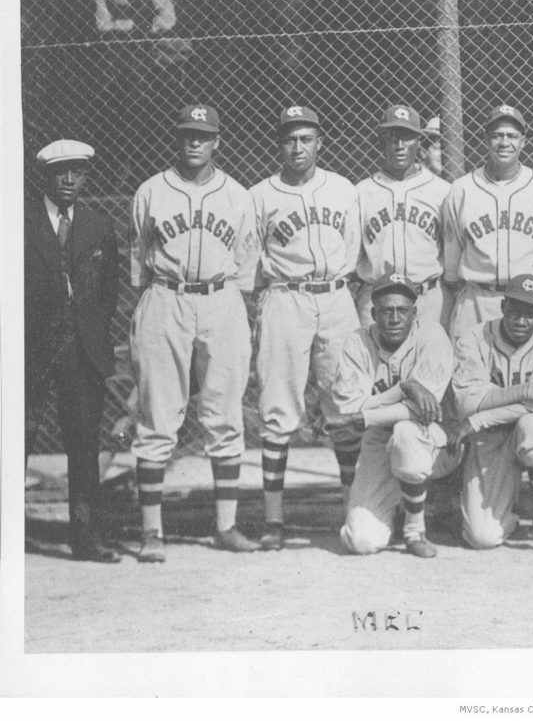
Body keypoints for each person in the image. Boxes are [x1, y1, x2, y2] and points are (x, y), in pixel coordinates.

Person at [129, 104, 260, 561]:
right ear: (177, 137)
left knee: (224, 413)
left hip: (222, 299)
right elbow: (139, 258)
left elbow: (246, 263)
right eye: (187, 133)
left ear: (217, 141)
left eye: (203, 135)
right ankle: (151, 532)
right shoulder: (151, 191)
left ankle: (226, 525)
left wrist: (231, 304)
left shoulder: (238, 195)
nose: (194, 142)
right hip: (165, 295)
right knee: (158, 416)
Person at [249, 105, 361, 550]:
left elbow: (352, 247)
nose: (297, 147)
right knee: (278, 411)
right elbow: (250, 257)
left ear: (320, 142)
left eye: (306, 138)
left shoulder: (343, 189)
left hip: (336, 295)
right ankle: (274, 520)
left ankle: (354, 509)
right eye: (289, 139)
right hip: (284, 296)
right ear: (279, 144)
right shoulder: (260, 195)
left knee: (347, 407)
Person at [25, 139, 121, 563]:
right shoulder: (20, 221)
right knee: (17, 438)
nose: (68, 179)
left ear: (85, 176)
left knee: (83, 447)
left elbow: (109, 291)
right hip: (31, 347)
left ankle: (86, 536)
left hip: (80, 349)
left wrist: (92, 333)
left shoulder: (97, 225)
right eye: (61, 171)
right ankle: (12, 533)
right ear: (45, 175)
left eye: (77, 171)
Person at [331, 273, 462, 558]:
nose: (394, 318)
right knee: (360, 541)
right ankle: (396, 507)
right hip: (379, 441)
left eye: (402, 310)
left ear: (414, 313)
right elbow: (348, 409)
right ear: (373, 313)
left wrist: (370, 412)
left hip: (431, 439)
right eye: (386, 310)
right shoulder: (357, 343)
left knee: (406, 430)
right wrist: (404, 388)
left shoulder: (431, 334)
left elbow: (423, 409)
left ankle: (415, 530)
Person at [449, 274, 533, 555]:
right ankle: (515, 506)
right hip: (490, 440)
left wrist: (480, 418)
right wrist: (530, 390)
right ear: (503, 305)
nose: (521, 321)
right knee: (481, 538)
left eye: (530, 314)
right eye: (515, 311)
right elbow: (468, 403)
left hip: (529, 429)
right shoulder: (475, 336)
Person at [441, 105, 533, 336]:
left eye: (512, 136)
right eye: (497, 135)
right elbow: (452, 259)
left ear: (523, 142)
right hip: (478, 298)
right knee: (469, 369)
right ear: (486, 140)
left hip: (529, 301)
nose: (504, 142)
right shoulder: (462, 190)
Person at [355, 104, 450, 327]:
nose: (399, 145)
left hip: (427, 298)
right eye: (392, 137)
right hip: (377, 298)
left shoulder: (442, 191)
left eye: (407, 137)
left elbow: (451, 251)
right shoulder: (361, 192)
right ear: (381, 141)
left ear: (419, 142)